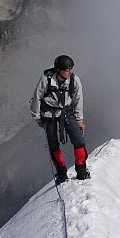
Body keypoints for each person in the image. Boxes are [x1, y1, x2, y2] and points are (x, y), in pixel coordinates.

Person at [31, 54, 89, 184]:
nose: (70, 72)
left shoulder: (74, 80)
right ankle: (61, 173)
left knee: (79, 140)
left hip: (66, 111)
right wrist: (37, 117)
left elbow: (78, 100)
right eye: (67, 69)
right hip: (48, 113)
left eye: (71, 69)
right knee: (53, 144)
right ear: (58, 70)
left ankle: (81, 170)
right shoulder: (45, 80)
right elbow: (36, 98)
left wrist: (79, 120)